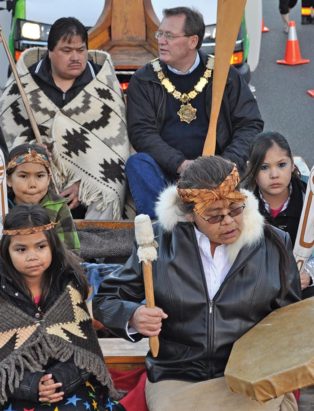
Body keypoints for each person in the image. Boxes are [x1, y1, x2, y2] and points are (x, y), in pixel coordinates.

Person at [93, 155, 301, 411]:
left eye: (235, 209)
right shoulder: (158, 242)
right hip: (179, 373)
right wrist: (133, 316)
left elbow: (291, 319)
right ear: (190, 215)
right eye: (214, 216)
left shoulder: (274, 244)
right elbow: (106, 300)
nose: (228, 221)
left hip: (251, 373)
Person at [125, 6, 264, 218]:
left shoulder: (225, 75)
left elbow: (250, 123)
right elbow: (141, 133)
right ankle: (163, 233)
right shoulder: (144, 80)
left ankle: (217, 221)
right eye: (160, 33)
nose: (161, 40)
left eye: (169, 35)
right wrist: (181, 164)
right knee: (138, 164)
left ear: (193, 41)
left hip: (220, 172)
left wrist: (224, 164)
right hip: (168, 174)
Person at [0, 17, 130, 220]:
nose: (76, 57)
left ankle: (98, 250)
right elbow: (10, 132)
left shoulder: (102, 84)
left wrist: (85, 184)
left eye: (81, 50)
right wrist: (33, 152)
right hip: (40, 172)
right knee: (27, 180)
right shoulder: (25, 82)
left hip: (91, 176)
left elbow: (115, 146)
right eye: (67, 51)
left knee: (107, 190)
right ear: (50, 52)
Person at [0, 204, 123, 410]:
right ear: (6, 251)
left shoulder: (68, 288)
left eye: (41, 246)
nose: (32, 256)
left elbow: (85, 354)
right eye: (21, 249)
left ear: (52, 246)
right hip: (15, 388)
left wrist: (58, 381)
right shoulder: (2, 299)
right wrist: (33, 386)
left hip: (68, 385)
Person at [242, 131, 313, 294]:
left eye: (282, 165)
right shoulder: (241, 207)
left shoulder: (308, 199)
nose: (274, 175)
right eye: (264, 167)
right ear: (251, 169)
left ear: (292, 164)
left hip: (306, 289)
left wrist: (309, 275)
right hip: (260, 291)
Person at [7, 143, 80, 253]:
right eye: (23, 176)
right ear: (8, 180)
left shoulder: (57, 206)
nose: (32, 184)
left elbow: (71, 250)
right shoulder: (3, 206)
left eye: (40, 176)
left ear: (48, 179)